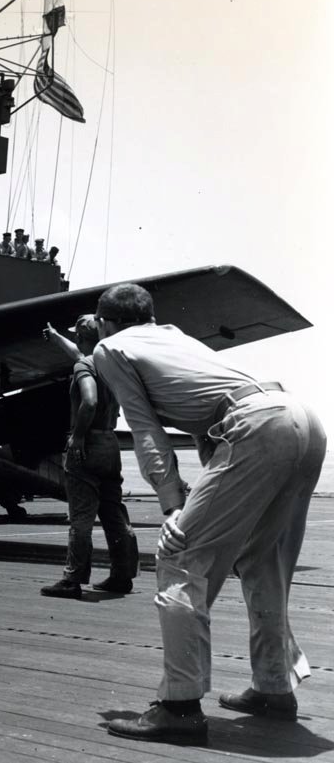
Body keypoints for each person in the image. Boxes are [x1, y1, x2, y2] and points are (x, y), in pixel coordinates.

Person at [92, 283, 326, 745]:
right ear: (149, 316)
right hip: (300, 417)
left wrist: (172, 506)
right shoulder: (175, 337)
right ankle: (274, 689)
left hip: (256, 426)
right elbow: (210, 424)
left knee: (179, 558)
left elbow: (145, 429)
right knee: (263, 561)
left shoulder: (110, 348)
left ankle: (179, 708)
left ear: (104, 322)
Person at [40, 316, 138, 600]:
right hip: (110, 443)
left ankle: (72, 580)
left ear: (82, 338)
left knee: (81, 517)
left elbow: (90, 400)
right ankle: (122, 576)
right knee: (114, 513)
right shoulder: (111, 364)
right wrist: (56, 337)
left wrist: (78, 436)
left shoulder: (84, 366)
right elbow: (80, 355)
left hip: (88, 443)